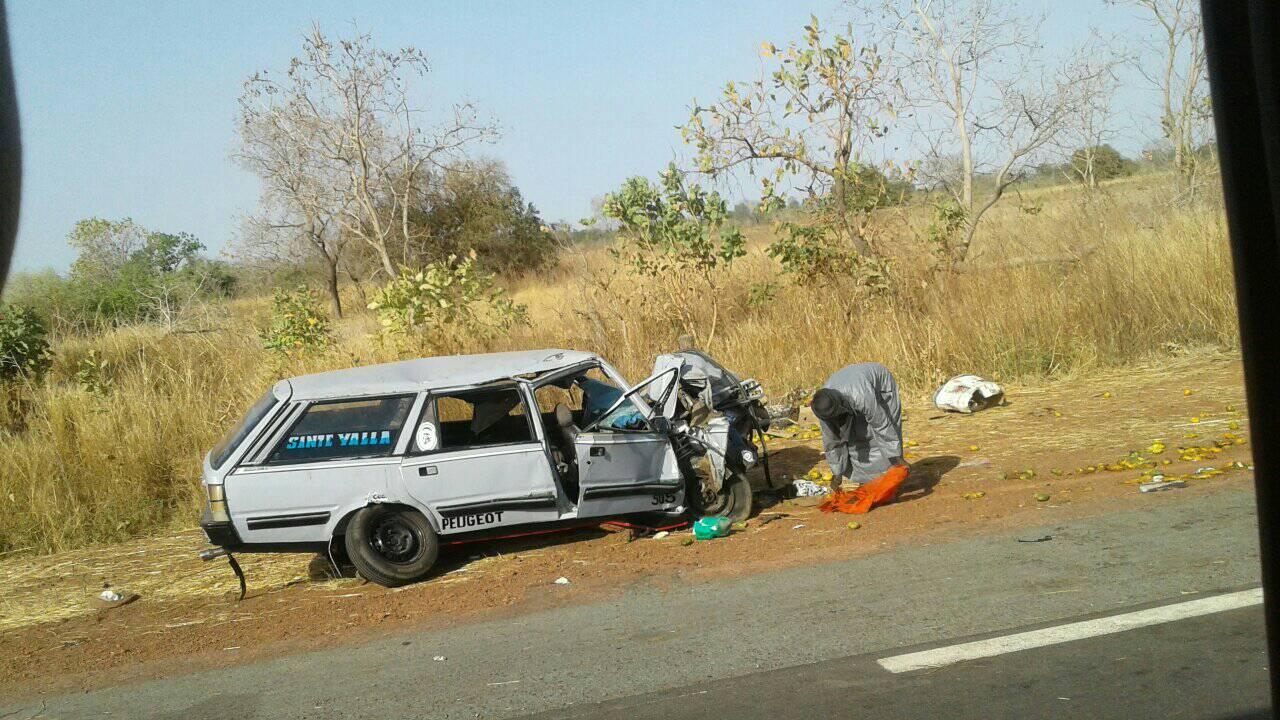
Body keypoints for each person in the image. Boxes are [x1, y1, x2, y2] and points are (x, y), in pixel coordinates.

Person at [811, 362, 906, 486]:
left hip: (880, 386)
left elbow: (881, 424)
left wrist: (896, 455)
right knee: (855, 437)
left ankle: (891, 477)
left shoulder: (860, 396)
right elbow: (832, 441)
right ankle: (867, 482)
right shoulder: (823, 409)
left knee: (875, 433)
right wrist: (837, 472)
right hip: (853, 385)